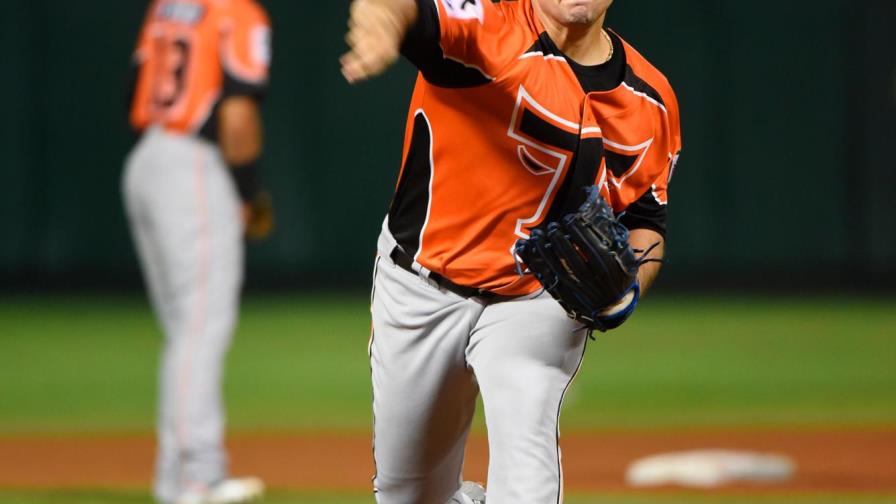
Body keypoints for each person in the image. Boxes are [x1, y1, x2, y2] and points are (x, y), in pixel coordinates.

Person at [342, 0, 681, 502]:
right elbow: (401, 6)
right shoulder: (489, 24)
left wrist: (628, 287)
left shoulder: (649, 100)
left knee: (526, 469)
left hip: (537, 299)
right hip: (420, 283)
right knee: (408, 493)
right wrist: (381, 26)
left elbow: (645, 221)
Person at [123, 1, 273, 502]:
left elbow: (135, 87)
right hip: (193, 168)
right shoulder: (240, 12)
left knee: (184, 331)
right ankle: (197, 478)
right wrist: (249, 194)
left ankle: (175, 481)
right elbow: (237, 112)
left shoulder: (167, 6)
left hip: (146, 158)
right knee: (200, 329)